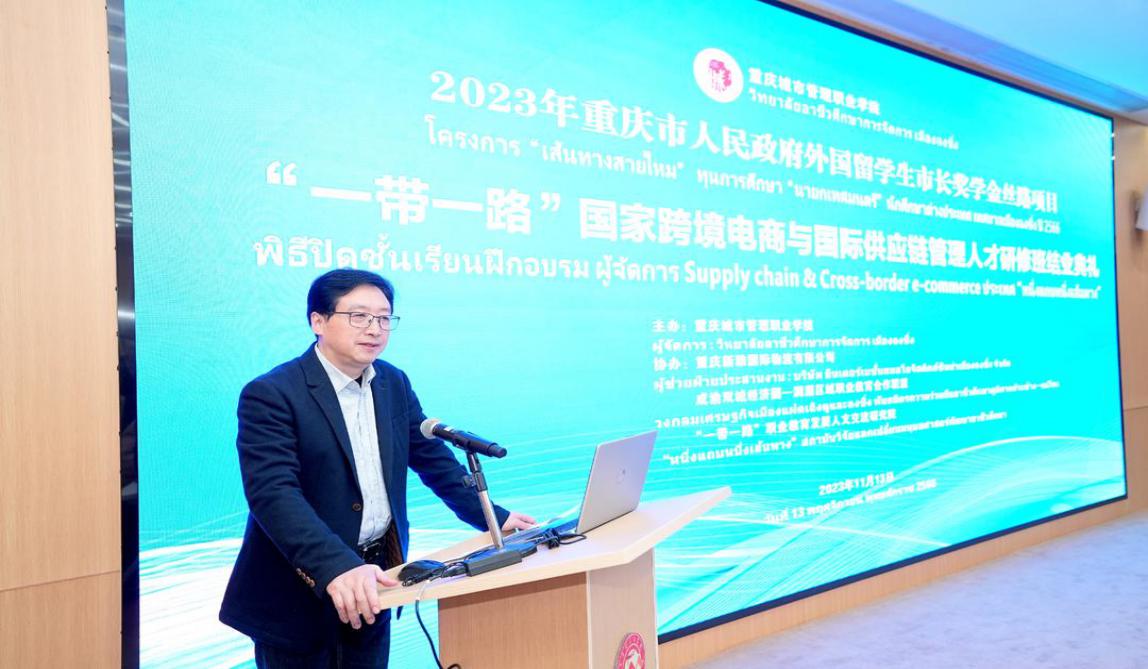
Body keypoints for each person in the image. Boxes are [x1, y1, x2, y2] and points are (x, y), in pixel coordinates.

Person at [220, 269, 535, 668]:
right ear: (318, 321)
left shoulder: (392, 382)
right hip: (298, 594)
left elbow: (433, 459)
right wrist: (338, 567)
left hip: (377, 581)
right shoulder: (272, 393)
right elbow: (274, 495)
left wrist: (496, 519)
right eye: (359, 316)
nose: (374, 329)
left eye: (384, 318)